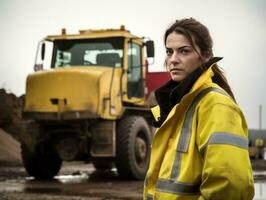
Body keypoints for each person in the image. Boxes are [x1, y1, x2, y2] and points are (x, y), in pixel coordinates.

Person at [143, 18, 254, 200]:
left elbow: (230, 188)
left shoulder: (215, 105)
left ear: (206, 56)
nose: (173, 60)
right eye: (169, 52)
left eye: (184, 51)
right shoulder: (176, 107)